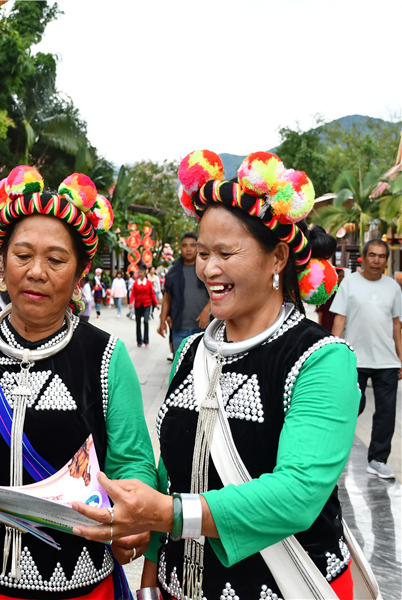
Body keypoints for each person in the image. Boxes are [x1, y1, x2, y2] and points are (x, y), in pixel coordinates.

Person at [72, 151, 359, 600]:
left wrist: (169, 514)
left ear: (278, 257)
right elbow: (172, 470)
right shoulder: (191, 351)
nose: (208, 269)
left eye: (226, 253)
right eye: (203, 253)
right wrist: (150, 574)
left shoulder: (322, 358)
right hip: (176, 586)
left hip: (285, 587)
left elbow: (298, 493)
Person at [0, 166, 158, 599]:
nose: (37, 272)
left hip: (82, 586)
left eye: (56, 260)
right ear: (0, 262)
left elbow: (133, 463)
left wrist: (131, 518)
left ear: (80, 272)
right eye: (22, 255)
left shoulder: (105, 356)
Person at [331, 238, 402, 480]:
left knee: (386, 413)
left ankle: (378, 460)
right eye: (372, 255)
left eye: (382, 256)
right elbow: (339, 321)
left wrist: (401, 357)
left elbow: (396, 325)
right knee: (350, 409)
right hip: (355, 359)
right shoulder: (349, 284)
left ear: (386, 261)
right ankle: (334, 456)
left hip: (387, 362)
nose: (377, 260)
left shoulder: (393, 287)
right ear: (364, 257)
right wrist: (332, 354)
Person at [158, 232, 211, 355]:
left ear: (198, 248)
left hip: (202, 329)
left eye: (192, 245)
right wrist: (162, 320)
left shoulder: (206, 269)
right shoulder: (173, 273)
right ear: (180, 248)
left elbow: (216, 292)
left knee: (201, 368)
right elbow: (167, 298)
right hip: (179, 329)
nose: (188, 249)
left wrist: (206, 310)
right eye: (185, 245)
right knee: (180, 368)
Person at [130, 263, 158, 347]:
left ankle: (146, 340)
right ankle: (139, 341)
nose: (140, 274)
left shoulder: (149, 283)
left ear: (144, 273)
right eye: (139, 272)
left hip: (146, 305)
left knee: (146, 321)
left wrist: (156, 304)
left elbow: (152, 293)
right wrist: (130, 302)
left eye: (142, 272)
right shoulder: (135, 283)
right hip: (138, 305)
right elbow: (133, 293)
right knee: (138, 323)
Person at [315, 266, 345, 332]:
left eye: (343, 277)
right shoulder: (327, 292)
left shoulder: (343, 293)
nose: (342, 279)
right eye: (339, 277)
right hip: (326, 325)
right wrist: (320, 327)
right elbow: (320, 311)